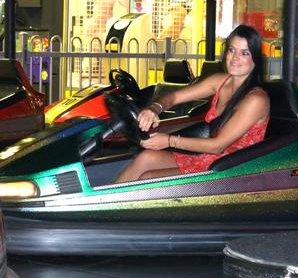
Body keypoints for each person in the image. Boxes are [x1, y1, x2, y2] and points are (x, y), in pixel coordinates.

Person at [114, 24, 269, 183]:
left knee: (149, 178)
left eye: (244, 53)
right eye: (232, 50)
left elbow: (218, 146)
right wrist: (154, 108)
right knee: (146, 157)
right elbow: (174, 97)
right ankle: (101, 205)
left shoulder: (255, 100)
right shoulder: (221, 81)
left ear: (255, 59)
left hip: (232, 170)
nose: (235, 58)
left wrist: (169, 140)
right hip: (210, 159)